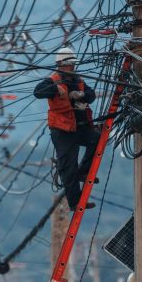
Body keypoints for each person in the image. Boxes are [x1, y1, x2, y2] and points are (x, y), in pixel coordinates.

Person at [34, 46, 99, 211]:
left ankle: (83, 171)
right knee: (68, 166)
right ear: (61, 65)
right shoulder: (53, 81)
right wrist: (56, 89)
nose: (72, 67)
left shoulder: (78, 81)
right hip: (63, 131)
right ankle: (75, 203)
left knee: (97, 139)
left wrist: (82, 96)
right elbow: (38, 92)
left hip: (79, 128)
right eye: (69, 64)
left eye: (73, 64)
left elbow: (91, 95)